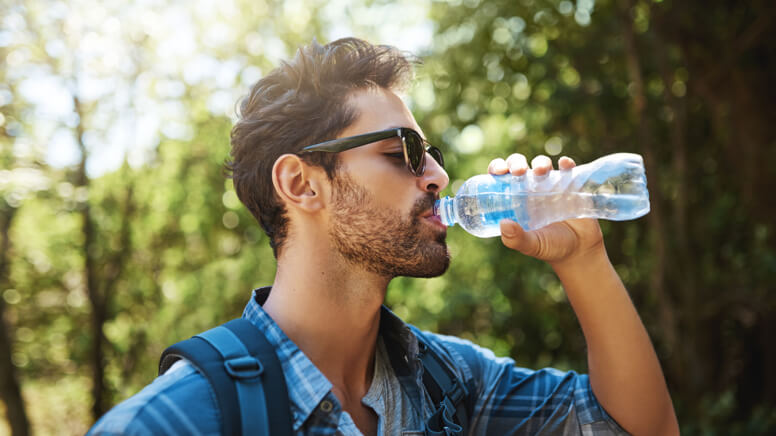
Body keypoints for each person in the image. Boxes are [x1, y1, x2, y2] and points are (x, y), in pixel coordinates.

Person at [88, 37, 679, 436]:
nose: (439, 176)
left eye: (433, 155)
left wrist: (584, 259)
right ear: (301, 184)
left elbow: (633, 427)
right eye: (403, 152)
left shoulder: (450, 382)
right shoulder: (177, 421)